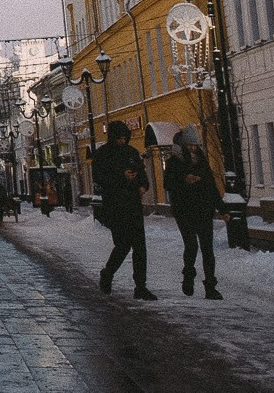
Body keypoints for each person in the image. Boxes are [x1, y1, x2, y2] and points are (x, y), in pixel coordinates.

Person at [92, 120, 154, 300]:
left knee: (140, 247)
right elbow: (100, 178)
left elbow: (142, 175)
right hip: (115, 205)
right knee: (123, 245)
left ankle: (140, 286)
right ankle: (108, 273)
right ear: (112, 137)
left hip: (133, 204)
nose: (122, 141)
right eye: (119, 138)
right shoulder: (103, 154)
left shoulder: (132, 152)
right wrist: (122, 176)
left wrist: (143, 185)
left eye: (124, 137)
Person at [165, 126, 222, 299]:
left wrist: (222, 209)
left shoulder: (202, 161)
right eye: (190, 145)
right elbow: (168, 184)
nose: (193, 148)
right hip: (184, 210)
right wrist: (185, 181)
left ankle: (210, 286)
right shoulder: (174, 162)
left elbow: (211, 186)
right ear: (183, 145)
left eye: (195, 145)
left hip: (204, 209)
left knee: (207, 249)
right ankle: (188, 276)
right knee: (191, 246)